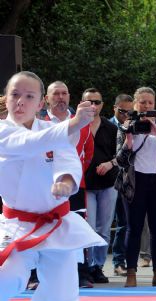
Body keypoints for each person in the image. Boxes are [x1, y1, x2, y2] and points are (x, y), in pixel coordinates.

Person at [0, 71, 104, 301]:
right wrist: (72, 125)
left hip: (57, 226)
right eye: (16, 94)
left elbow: (67, 159)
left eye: (29, 96)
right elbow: (29, 143)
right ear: (6, 98)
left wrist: (65, 181)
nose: (21, 101)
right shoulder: (4, 132)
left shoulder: (55, 132)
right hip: (16, 224)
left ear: (40, 101)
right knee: (5, 279)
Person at [115, 86, 156, 287]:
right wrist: (129, 137)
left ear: (154, 104)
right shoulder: (127, 124)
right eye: (142, 102)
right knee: (134, 228)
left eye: (150, 102)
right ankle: (131, 273)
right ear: (135, 103)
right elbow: (121, 160)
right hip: (134, 183)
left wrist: (155, 129)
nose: (146, 105)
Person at [43, 81, 96, 288]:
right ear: (46, 98)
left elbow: (88, 154)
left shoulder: (81, 123)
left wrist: (74, 175)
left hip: (75, 185)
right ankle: (36, 276)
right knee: (43, 228)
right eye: (56, 94)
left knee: (76, 226)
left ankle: (81, 274)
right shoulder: (39, 123)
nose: (61, 97)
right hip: (43, 185)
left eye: (64, 93)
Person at [82, 88, 119, 283]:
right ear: (82, 103)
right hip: (86, 184)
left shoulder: (111, 128)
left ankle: (98, 266)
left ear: (102, 104)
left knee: (104, 228)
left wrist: (109, 163)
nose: (93, 106)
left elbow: (121, 155)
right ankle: (87, 266)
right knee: (89, 228)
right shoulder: (76, 126)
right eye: (89, 102)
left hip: (107, 184)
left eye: (97, 102)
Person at [109, 94, 133, 276]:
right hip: (107, 182)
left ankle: (119, 262)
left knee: (124, 223)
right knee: (102, 225)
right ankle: (93, 265)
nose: (125, 114)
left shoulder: (134, 127)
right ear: (114, 108)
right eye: (122, 110)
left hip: (128, 182)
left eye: (129, 111)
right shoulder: (107, 126)